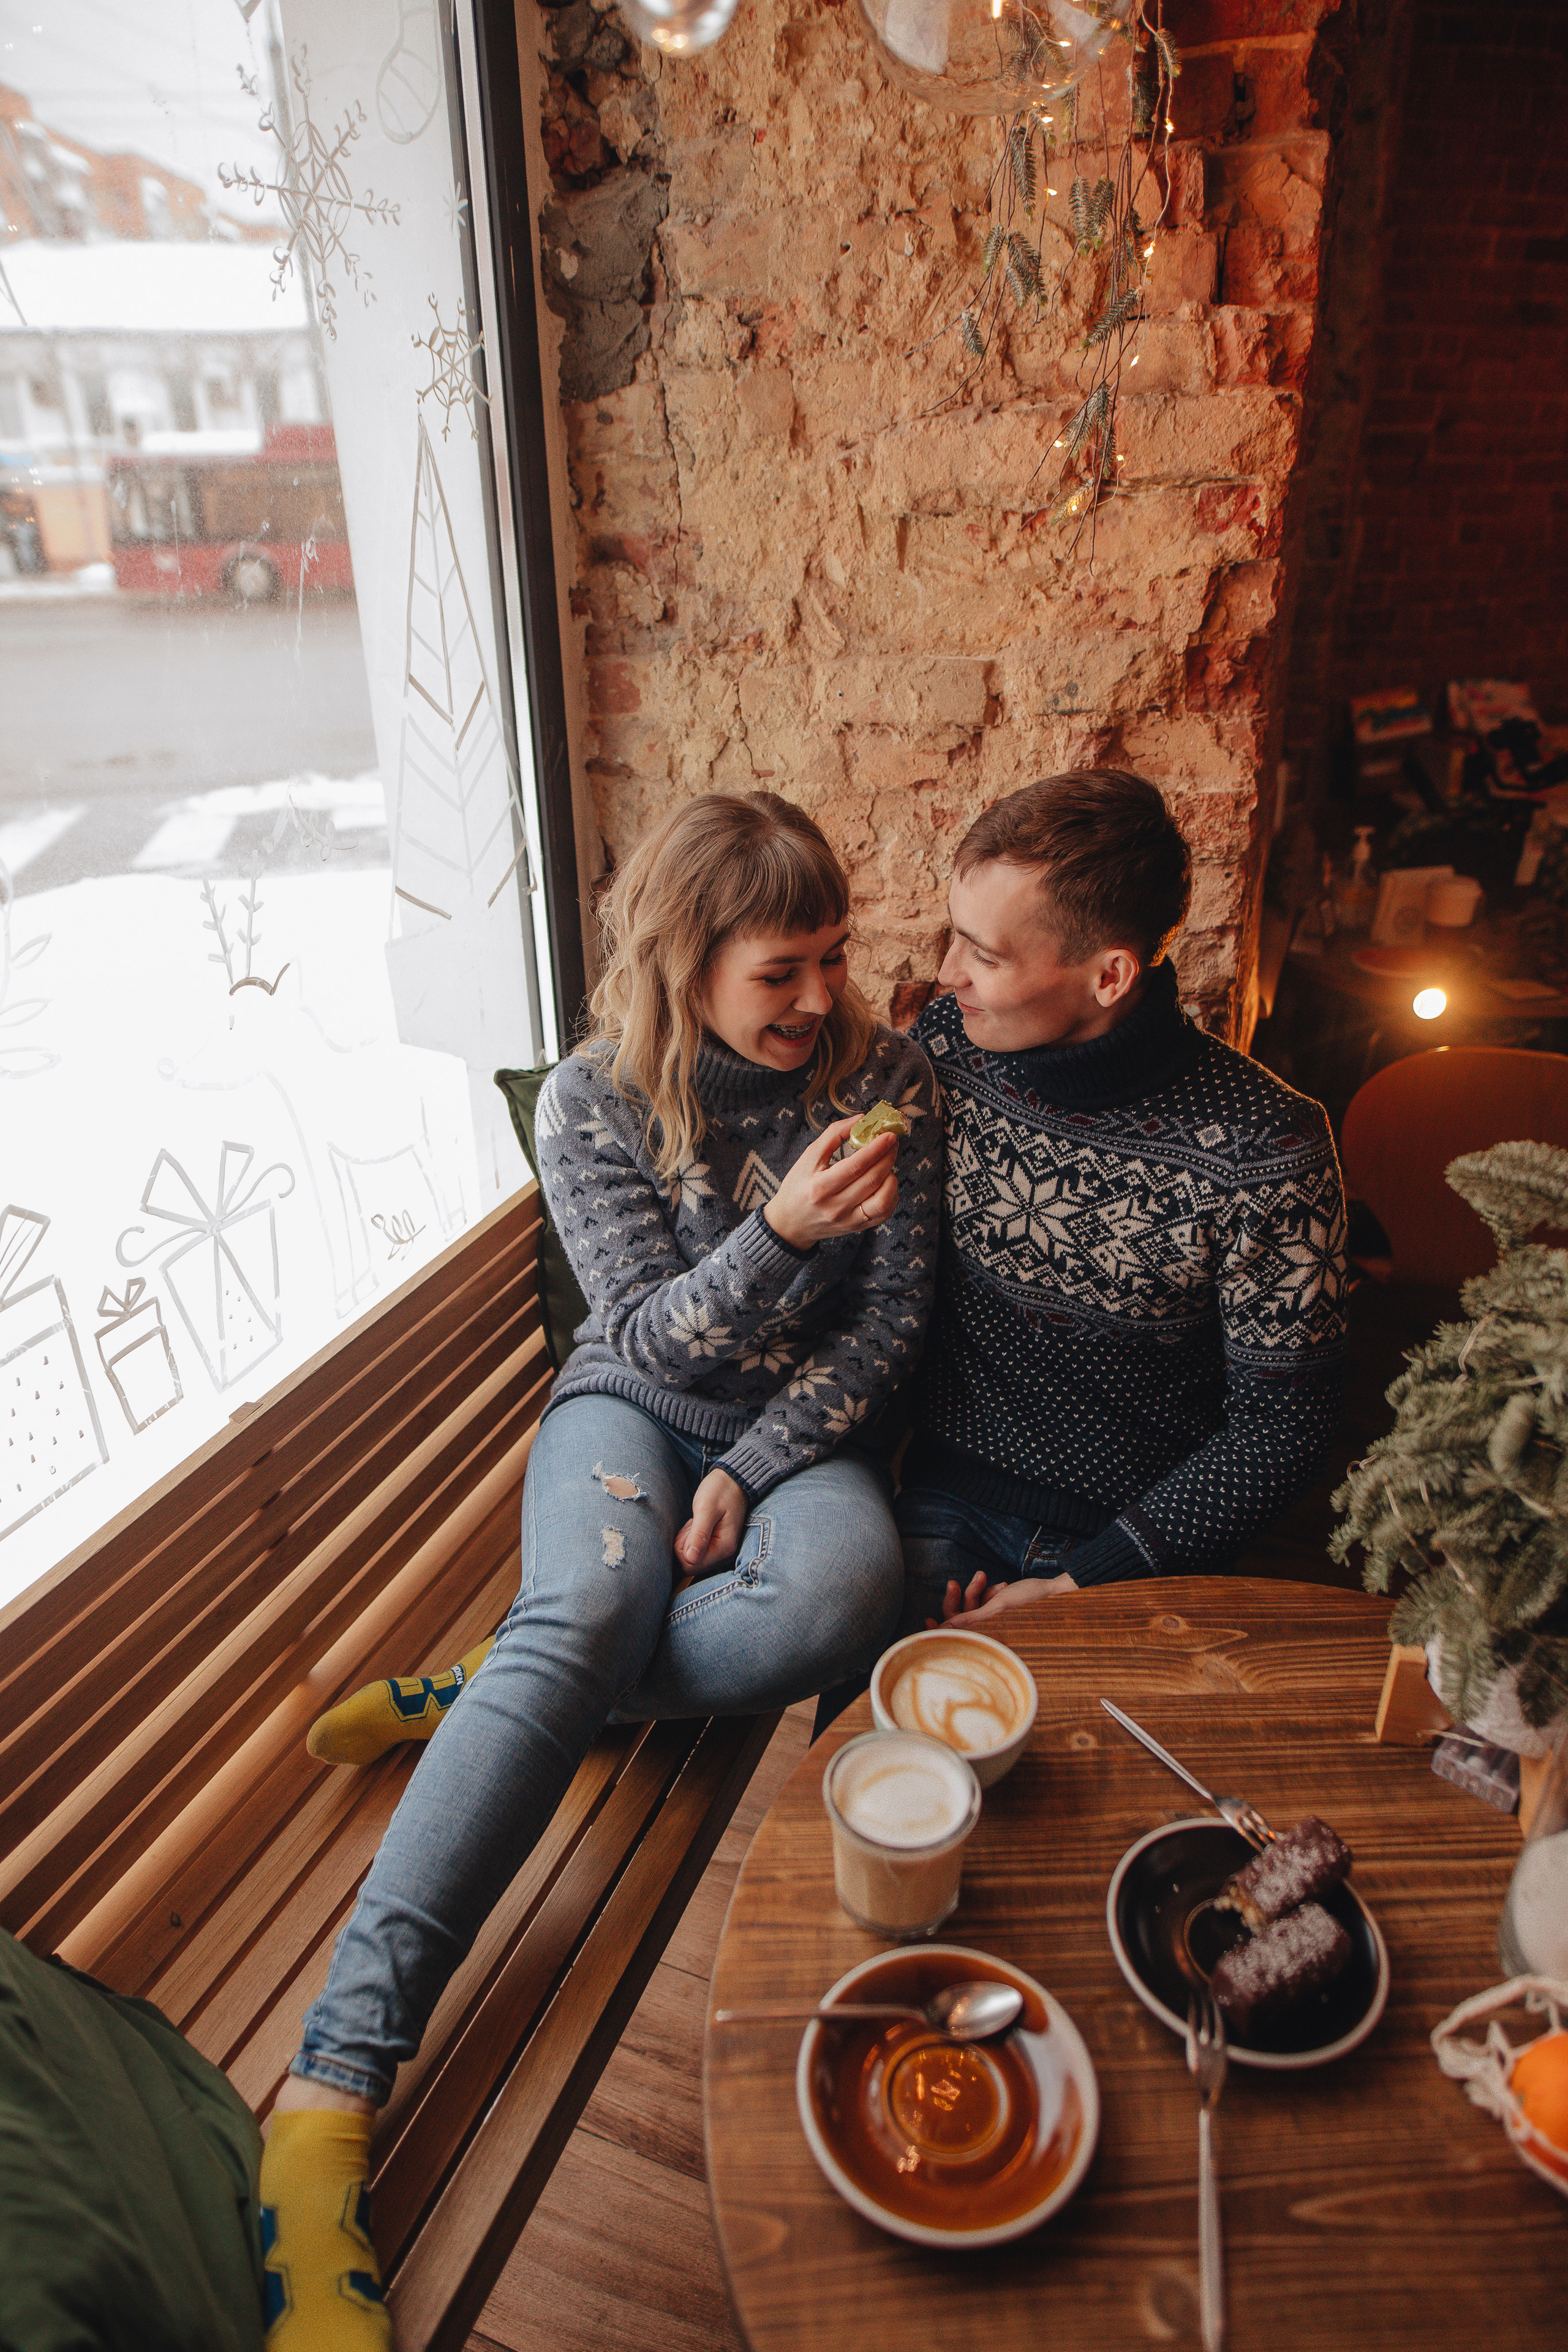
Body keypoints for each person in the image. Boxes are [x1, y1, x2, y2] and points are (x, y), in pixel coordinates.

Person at [257, 791, 939, 2350]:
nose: (821, 998)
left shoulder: (886, 1077)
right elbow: (639, 1339)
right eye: (780, 972)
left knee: (841, 1598)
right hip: (628, 1410)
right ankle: (326, 2093)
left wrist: (757, 1467)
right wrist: (777, 1231)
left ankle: (523, 1685)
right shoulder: (593, 1098)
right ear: (685, 962)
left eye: (833, 956)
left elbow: (891, 1332)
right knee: (584, 1606)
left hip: (794, 1438)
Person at [896, 767, 1348, 1632]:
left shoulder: (1269, 1147)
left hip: (1153, 1541)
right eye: (954, 937)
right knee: (877, 1715)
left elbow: (1283, 1428)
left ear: (1110, 977)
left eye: (984, 955)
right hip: (950, 1502)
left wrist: (1083, 1581)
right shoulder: (951, 1045)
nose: (948, 974)